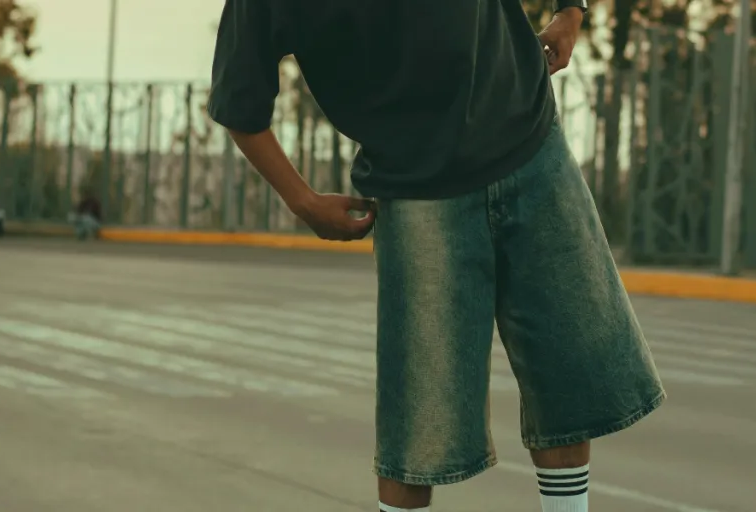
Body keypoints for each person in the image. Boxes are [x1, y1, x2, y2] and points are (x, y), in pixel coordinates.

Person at [208, 1, 665, 511]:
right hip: (417, 189)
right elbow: (238, 101)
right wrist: (303, 200)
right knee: (420, 427)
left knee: (569, 381)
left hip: (530, 142)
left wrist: (570, 14)